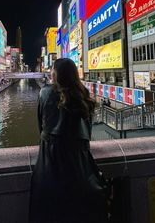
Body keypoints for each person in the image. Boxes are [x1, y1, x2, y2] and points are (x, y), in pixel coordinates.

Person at [29, 58, 108, 223]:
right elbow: (87, 134)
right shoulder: (84, 96)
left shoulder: (45, 93)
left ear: (55, 74)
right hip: (81, 168)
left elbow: (40, 128)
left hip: (50, 167)